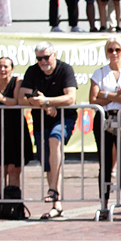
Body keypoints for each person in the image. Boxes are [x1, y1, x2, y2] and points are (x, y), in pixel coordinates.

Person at [16, 42, 78, 220]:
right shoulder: (32, 71)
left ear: (54, 54)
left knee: (54, 140)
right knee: (47, 161)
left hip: (64, 118)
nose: (43, 61)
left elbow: (70, 97)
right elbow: (22, 97)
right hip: (41, 119)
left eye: (46, 57)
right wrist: (42, 104)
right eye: (39, 58)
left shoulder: (65, 69)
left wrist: (48, 101)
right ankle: (56, 204)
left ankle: (53, 190)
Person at [89, 37, 121, 220]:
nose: (114, 53)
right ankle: (103, 204)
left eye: (117, 49)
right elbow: (93, 99)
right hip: (104, 117)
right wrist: (116, 96)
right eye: (110, 50)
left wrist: (106, 95)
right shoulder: (100, 73)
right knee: (104, 163)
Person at [0, 57, 33, 201]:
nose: (2, 69)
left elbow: (17, 101)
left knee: (14, 169)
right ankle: (1, 203)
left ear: (11, 69)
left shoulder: (17, 81)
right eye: (0, 66)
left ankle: (13, 202)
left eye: (6, 66)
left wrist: (1, 98)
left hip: (15, 128)